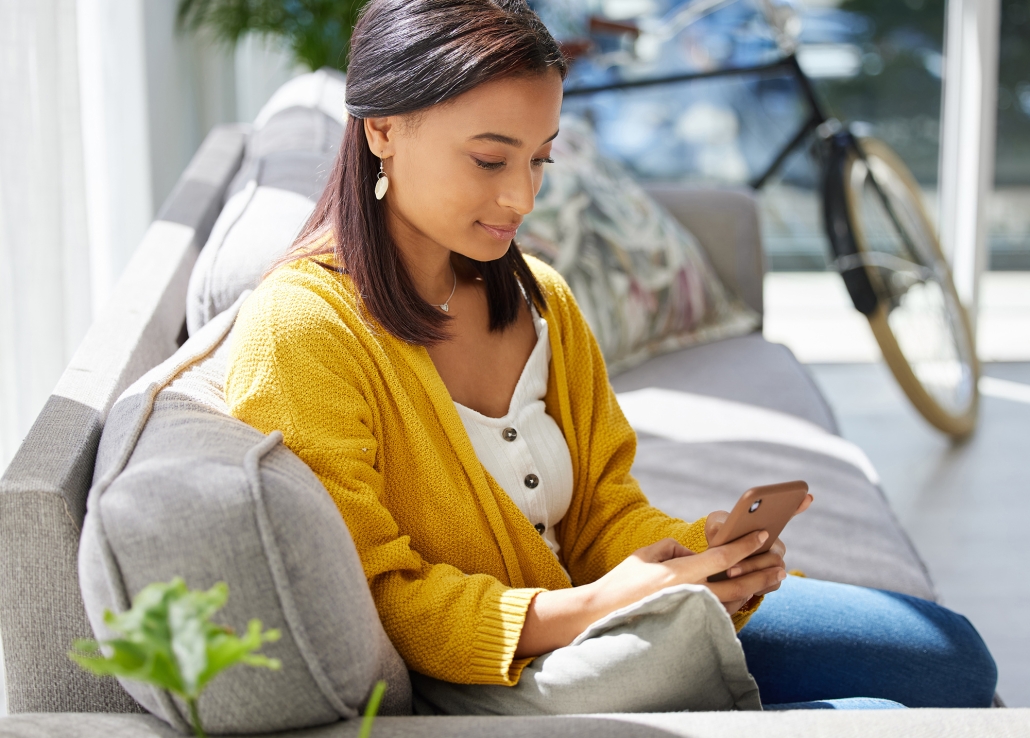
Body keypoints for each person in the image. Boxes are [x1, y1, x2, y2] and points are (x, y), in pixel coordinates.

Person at [226, 0, 997, 713]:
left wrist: (704, 555)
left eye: (540, 161)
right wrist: (593, 607)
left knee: (954, 657)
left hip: (603, 621)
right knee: (877, 720)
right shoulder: (301, 331)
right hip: (508, 677)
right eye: (491, 160)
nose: (521, 200)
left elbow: (602, 512)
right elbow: (375, 596)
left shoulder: (539, 300)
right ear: (382, 129)